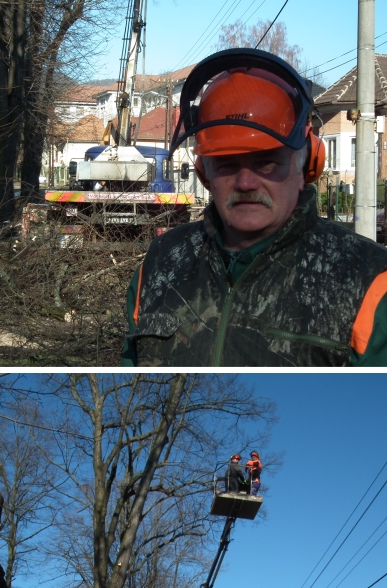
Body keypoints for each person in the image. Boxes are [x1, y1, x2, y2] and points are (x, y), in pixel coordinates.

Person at [122, 48, 387, 368]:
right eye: (227, 164)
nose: (246, 182)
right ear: (205, 172)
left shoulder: (368, 280)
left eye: (266, 162)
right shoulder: (160, 263)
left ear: (307, 165)